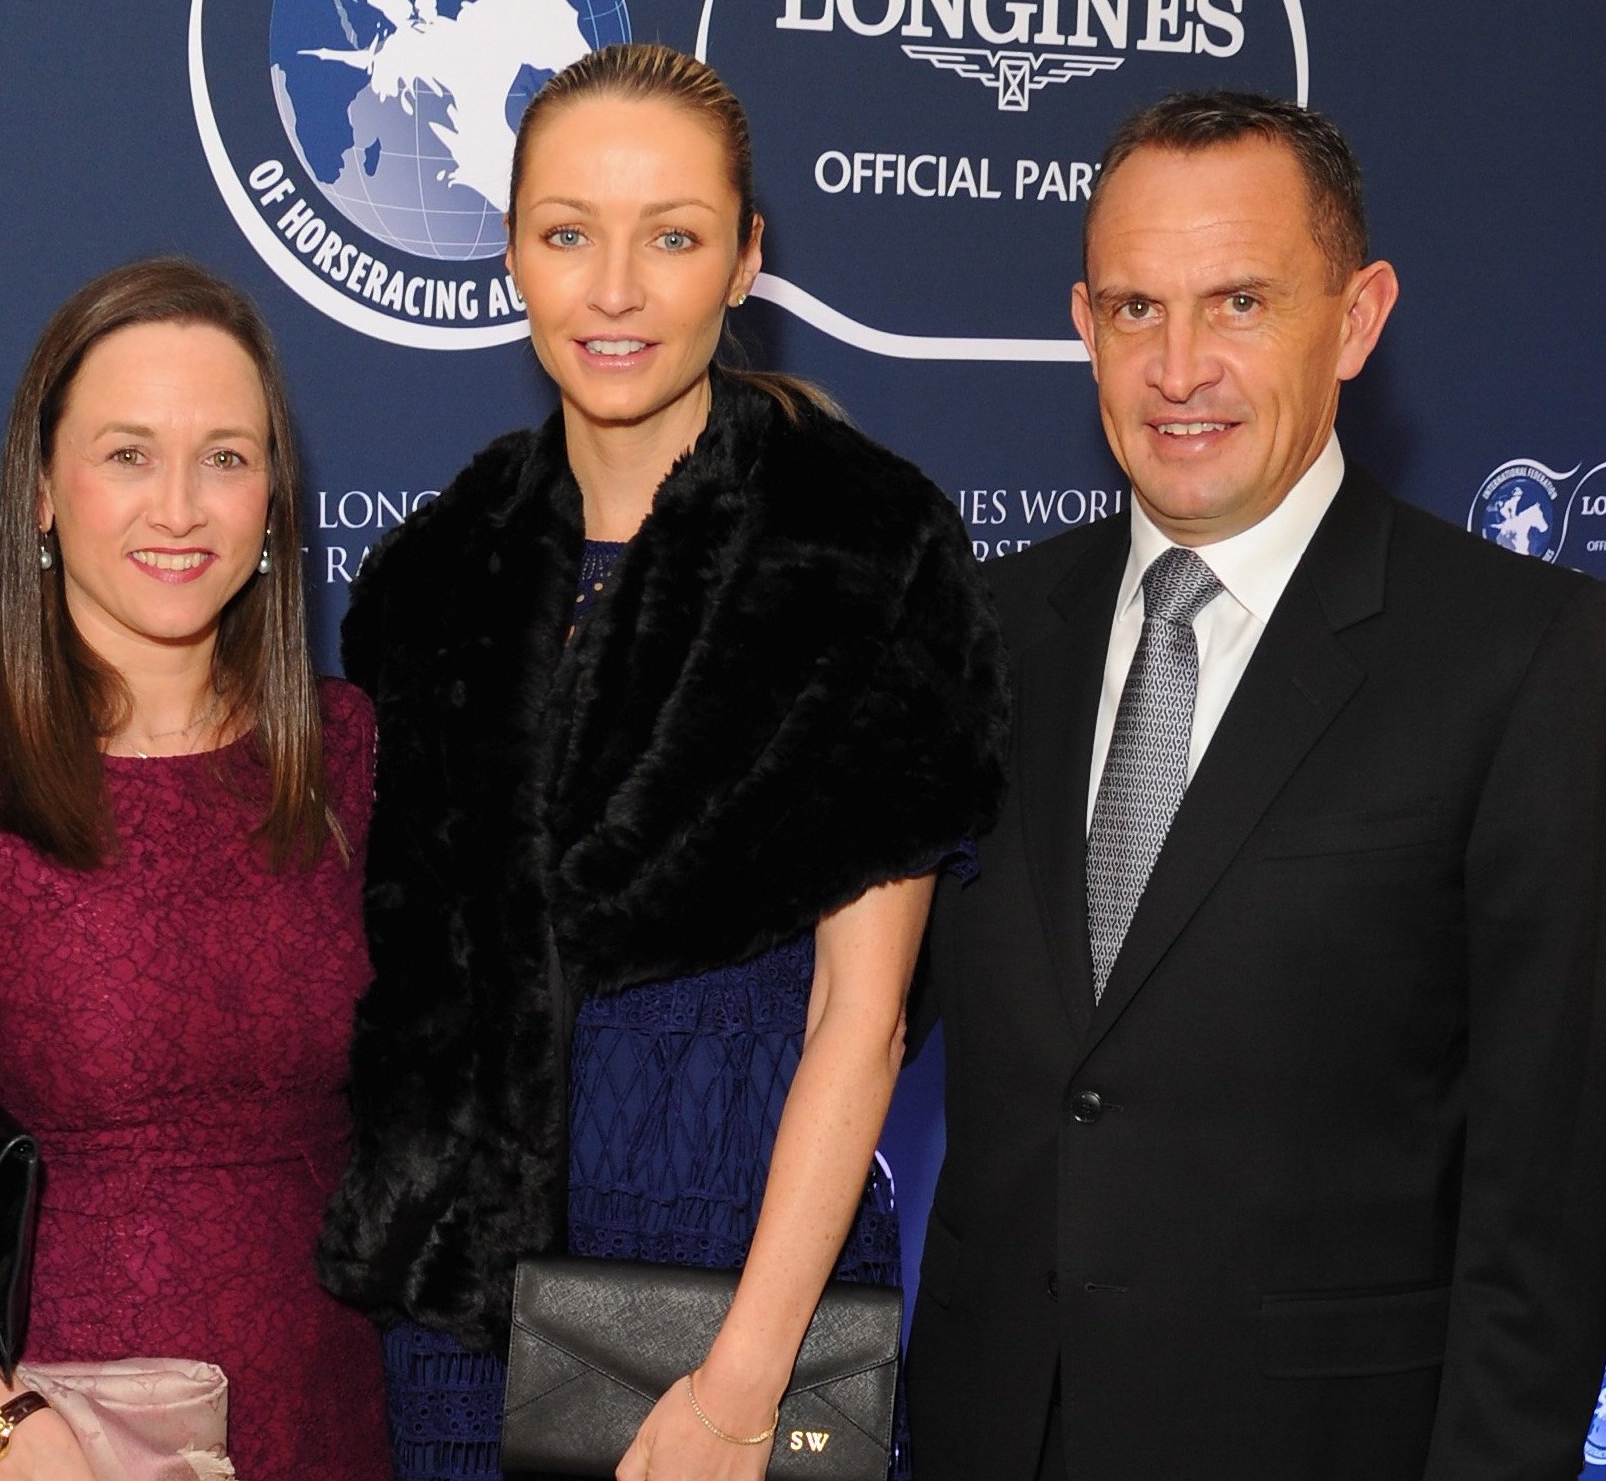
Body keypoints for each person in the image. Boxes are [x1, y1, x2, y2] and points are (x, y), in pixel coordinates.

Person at [905, 92, 1606, 1481]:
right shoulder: (974, 632)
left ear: (1358, 318)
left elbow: (1544, 1201)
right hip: (989, 1435)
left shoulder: (1527, 655)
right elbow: (858, 1009)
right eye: (1136, 308)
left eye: (1240, 302)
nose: (1178, 366)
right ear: (1084, 323)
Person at [316, 43, 1009, 1481]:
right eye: (569, 234)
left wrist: (740, 1387)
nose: (615, 290)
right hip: (466, 1303)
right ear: (510, 255)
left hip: (743, 1277)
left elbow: (860, 1017)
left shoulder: (862, 549)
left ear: (747, 260)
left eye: (673, 238)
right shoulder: (432, 576)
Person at [0, 258, 390, 1481]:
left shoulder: (349, 753)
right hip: (71, 1429)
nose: (178, 508)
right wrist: (3, 1423)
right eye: (127, 454)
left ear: (274, 497)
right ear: (41, 489)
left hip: (334, 1406)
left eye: (225, 458)